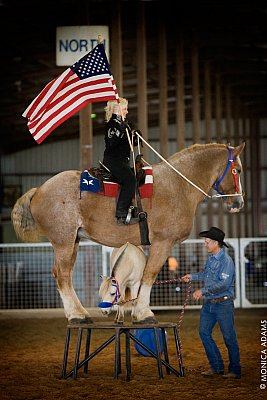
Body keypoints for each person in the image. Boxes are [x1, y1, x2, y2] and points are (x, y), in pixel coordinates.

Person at [181, 227, 241, 379]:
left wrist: (203, 291)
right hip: (210, 304)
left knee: (229, 337)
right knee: (204, 333)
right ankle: (217, 366)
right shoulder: (211, 259)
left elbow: (224, 284)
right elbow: (205, 274)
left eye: (207, 242)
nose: (205, 245)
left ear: (215, 243)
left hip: (223, 304)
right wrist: (192, 276)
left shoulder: (226, 261)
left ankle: (235, 369)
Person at [103, 97, 141, 225]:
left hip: (123, 161)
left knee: (137, 175)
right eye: (125, 108)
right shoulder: (112, 125)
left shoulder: (124, 125)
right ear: (116, 109)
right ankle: (121, 214)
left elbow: (128, 144)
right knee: (130, 180)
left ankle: (130, 207)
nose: (127, 111)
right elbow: (111, 144)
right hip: (113, 160)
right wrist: (120, 131)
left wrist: (136, 138)